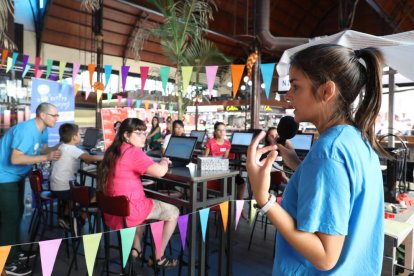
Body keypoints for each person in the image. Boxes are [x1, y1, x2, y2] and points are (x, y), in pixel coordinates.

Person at [247, 44, 386, 275]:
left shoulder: (328, 152)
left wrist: (264, 199)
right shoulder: (354, 139)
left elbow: (325, 256)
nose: (288, 96)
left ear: (326, 91)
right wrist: (298, 166)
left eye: (295, 86)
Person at [97, 118, 179, 267]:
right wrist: (164, 161)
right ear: (126, 136)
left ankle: (136, 249)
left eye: (144, 132)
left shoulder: (113, 150)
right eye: (138, 133)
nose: (143, 136)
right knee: (173, 211)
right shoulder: (133, 152)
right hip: (130, 209)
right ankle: (158, 257)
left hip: (114, 209)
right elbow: (160, 172)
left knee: (144, 205)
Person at [0, 102, 62, 275]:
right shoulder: (27, 130)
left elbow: (43, 149)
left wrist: (61, 146)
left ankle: (14, 252)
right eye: (54, 115)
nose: (56, 119)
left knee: (17, 214)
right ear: (42, 115)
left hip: (16, 177)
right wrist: (45, 157)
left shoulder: (43, 130)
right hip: (4, 176)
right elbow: (15, 159)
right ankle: (7, 263)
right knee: (10, 219)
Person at [50, 123, 103, 228]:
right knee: (96, 193)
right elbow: (89, 159)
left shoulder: (62, 147)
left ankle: (65, 217)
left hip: (56, 186)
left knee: (77, 188)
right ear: (74, 137)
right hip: (64, 188)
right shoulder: (72, 149)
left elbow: (83, 156)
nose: (80, 136)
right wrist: (104, 157)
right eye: (79, 134)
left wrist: (83, 154)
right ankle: (81, 219)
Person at [204, 122, 246, 201]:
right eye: (219, 130)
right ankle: (228, 202)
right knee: (228, 184)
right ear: (215, 132)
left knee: (241, 182)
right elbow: (204, 158)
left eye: (223, 130)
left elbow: (225, 159)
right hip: (210, 170)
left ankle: (239, 202)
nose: (221, 132)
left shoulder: (227, 144)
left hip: (223, 169)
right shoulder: (210, 142)